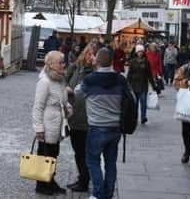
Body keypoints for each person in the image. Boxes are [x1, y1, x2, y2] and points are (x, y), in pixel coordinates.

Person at [79, 48, 131, 199]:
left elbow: (78, 92)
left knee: (92, 160)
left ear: (98, 61)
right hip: (115, 127)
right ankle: (108, 194)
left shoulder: (90, 79)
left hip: (96, 126)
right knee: (110, 162)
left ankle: (98, 193)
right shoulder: (121, 79)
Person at [32, 51, 71, 195]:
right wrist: (39, 128)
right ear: (51, 64)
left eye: (63, 62)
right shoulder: (44, 81)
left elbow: (62, 101)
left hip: (58, 124)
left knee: (53, 154)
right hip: (47, 125)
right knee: (45, 155)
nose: (63, 65)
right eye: (60, 62)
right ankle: (42, 185)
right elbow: (38, 106)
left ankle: (50, 181)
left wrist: (68, 107)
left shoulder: (60, 79)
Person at [65, 42, 97, 193]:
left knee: (84, 152)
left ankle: (84, 181)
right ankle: (81, 178)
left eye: (93, 54)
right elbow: (63, 82)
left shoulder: (95, 73)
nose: (91, 57)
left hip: (87, 118)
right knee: (78, 151)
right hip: (74, 116)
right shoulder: (76, 68)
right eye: (89, 53)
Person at [126, 44, 156, 125]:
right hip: (134, 85)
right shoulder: (132, 61)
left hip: (143, 85)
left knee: (143, 103)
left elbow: (149, 74)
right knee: (135, 104)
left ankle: (143, 117)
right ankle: (134, 118)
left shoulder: (146, 62)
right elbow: (129, 74)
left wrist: (153, 85)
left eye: (141, 51)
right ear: (136, 52)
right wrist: (127, 85)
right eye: (139, 51)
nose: (140, 53)